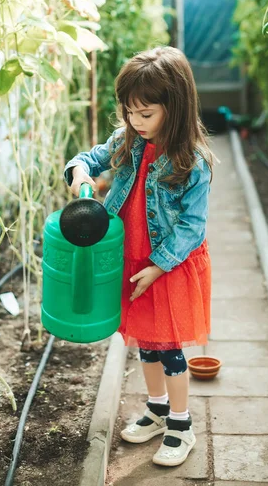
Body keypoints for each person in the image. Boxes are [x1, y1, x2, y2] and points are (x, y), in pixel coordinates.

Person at [63, 46, 214, 467]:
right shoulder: (128, 141)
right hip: (133, 262)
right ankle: (158, 407)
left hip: (168, 266)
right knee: (145, 344)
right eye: (129, 113)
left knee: (170, 349)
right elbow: (90, 157)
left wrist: (158, 265)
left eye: (145, 114)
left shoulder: (192, 162)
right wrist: (79, 170)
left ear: (175, 107)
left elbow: (192, 227)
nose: (135, 122)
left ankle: (182, 426)